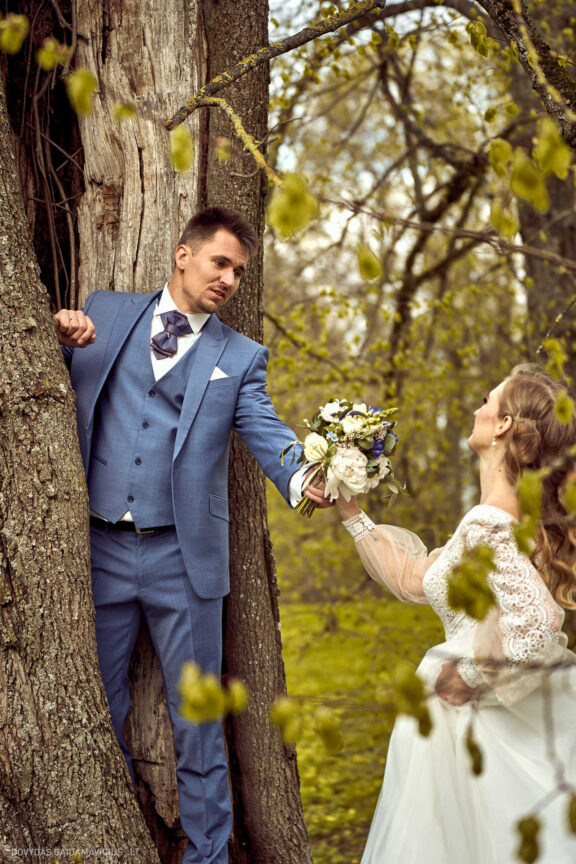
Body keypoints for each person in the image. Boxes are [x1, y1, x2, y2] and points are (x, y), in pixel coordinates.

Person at [54, 207, 326, 864]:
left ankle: (208, 858)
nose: (229, 278)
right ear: (183, 254)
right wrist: (61, 333)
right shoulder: (105, 312)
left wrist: (309, 476)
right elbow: (45, 377)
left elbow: (264, 428)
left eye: (238, 270)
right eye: (219, 262)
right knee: (97, 710)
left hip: (183, 559)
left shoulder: (240, 356)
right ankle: (111, 841)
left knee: (198, 721)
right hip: (98, 551)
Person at [334, 365, 576, 863]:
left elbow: (539, 623)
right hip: (462, 722)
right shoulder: (497, 519)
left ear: (505, 425)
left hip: (473, 717)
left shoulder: (490, 523)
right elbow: (415, 579)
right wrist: (350, 510)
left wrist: (465, 676)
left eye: (488, 401)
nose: (476, 410)